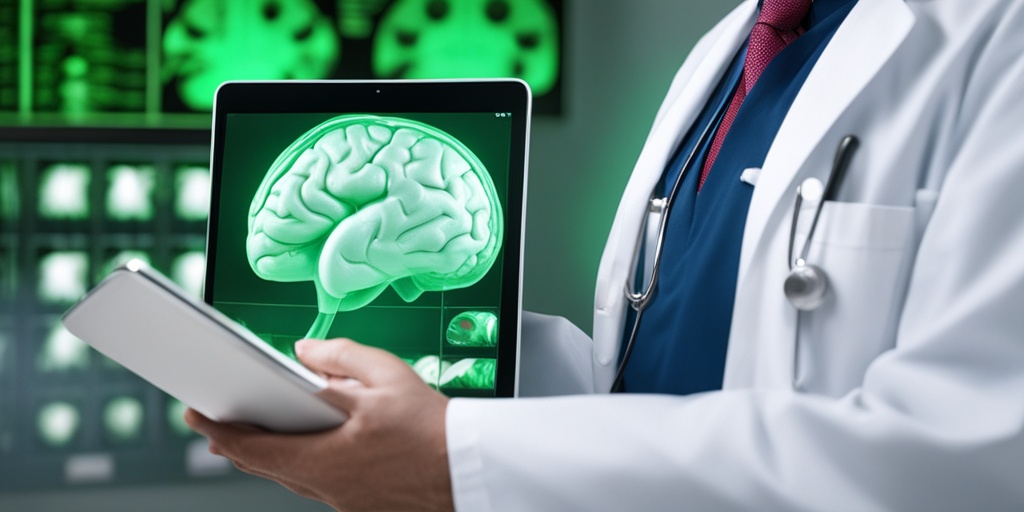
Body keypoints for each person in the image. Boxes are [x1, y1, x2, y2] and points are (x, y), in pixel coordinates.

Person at [186, 0, 1024, 510]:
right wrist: (471, 362)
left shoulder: (996, 37)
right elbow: (662, 377)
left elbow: (965, 458)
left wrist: (457, 461)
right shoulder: (732, 48)